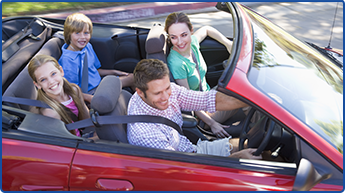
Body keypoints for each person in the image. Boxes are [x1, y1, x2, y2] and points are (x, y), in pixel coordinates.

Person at [127, 59, 261, 159]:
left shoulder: (161, 91)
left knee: (254, 144)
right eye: (158, 93)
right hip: (190, 165)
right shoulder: (145, 134)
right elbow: (182, 169)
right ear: (140, 92)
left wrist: (256, 100)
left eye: (167, 88)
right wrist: (236, 158)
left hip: (191, 150)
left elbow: (206, 99)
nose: (166, 96)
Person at [165, 12, 239, 138]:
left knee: (243, 89)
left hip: (209, 96)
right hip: (203, 111)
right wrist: (212, 123)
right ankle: (262, 133)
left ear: (191, 31)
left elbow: (207, 29)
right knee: (246, 99)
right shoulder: (177, 63)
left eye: (184, 35)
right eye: (173, 37)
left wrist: (227, 43)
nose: (180, 42)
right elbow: (188, 101)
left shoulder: (192, 43)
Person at [58, 12, 134, 103]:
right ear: (68, 35)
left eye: (86, 33)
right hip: (90, 93)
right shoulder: (67, 60)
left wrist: (113, 72)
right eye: (77, 33)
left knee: (133, 77)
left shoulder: (88, 47)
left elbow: (95, 70)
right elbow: (70, 89)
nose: (82, 37)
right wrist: (89, 98)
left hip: (100, 84)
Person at [28, 54, 96, 139]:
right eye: (43, 80)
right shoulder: (50, 113)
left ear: (61, 71)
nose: (51, 82)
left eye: (53, 74)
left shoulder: (74, 90)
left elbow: (86, 119)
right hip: (75, 144)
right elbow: (66, 143)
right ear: (37, 85)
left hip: (82, 134)